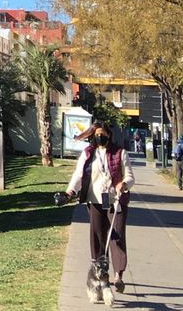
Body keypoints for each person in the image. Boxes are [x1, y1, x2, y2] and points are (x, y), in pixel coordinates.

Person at [64, 122, 135, 293]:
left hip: (115, 201)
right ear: (93, 136)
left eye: (103, 134)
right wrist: (70, 191)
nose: (100, 137)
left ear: (109, 135)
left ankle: (118, 275)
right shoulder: (88, 153)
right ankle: (98, 273)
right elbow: (79, 174)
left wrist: (124, 184)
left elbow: (130, 176)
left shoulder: (120, 152)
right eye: (97, 134)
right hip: (94, 200)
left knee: (116, 236)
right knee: (97, 237)